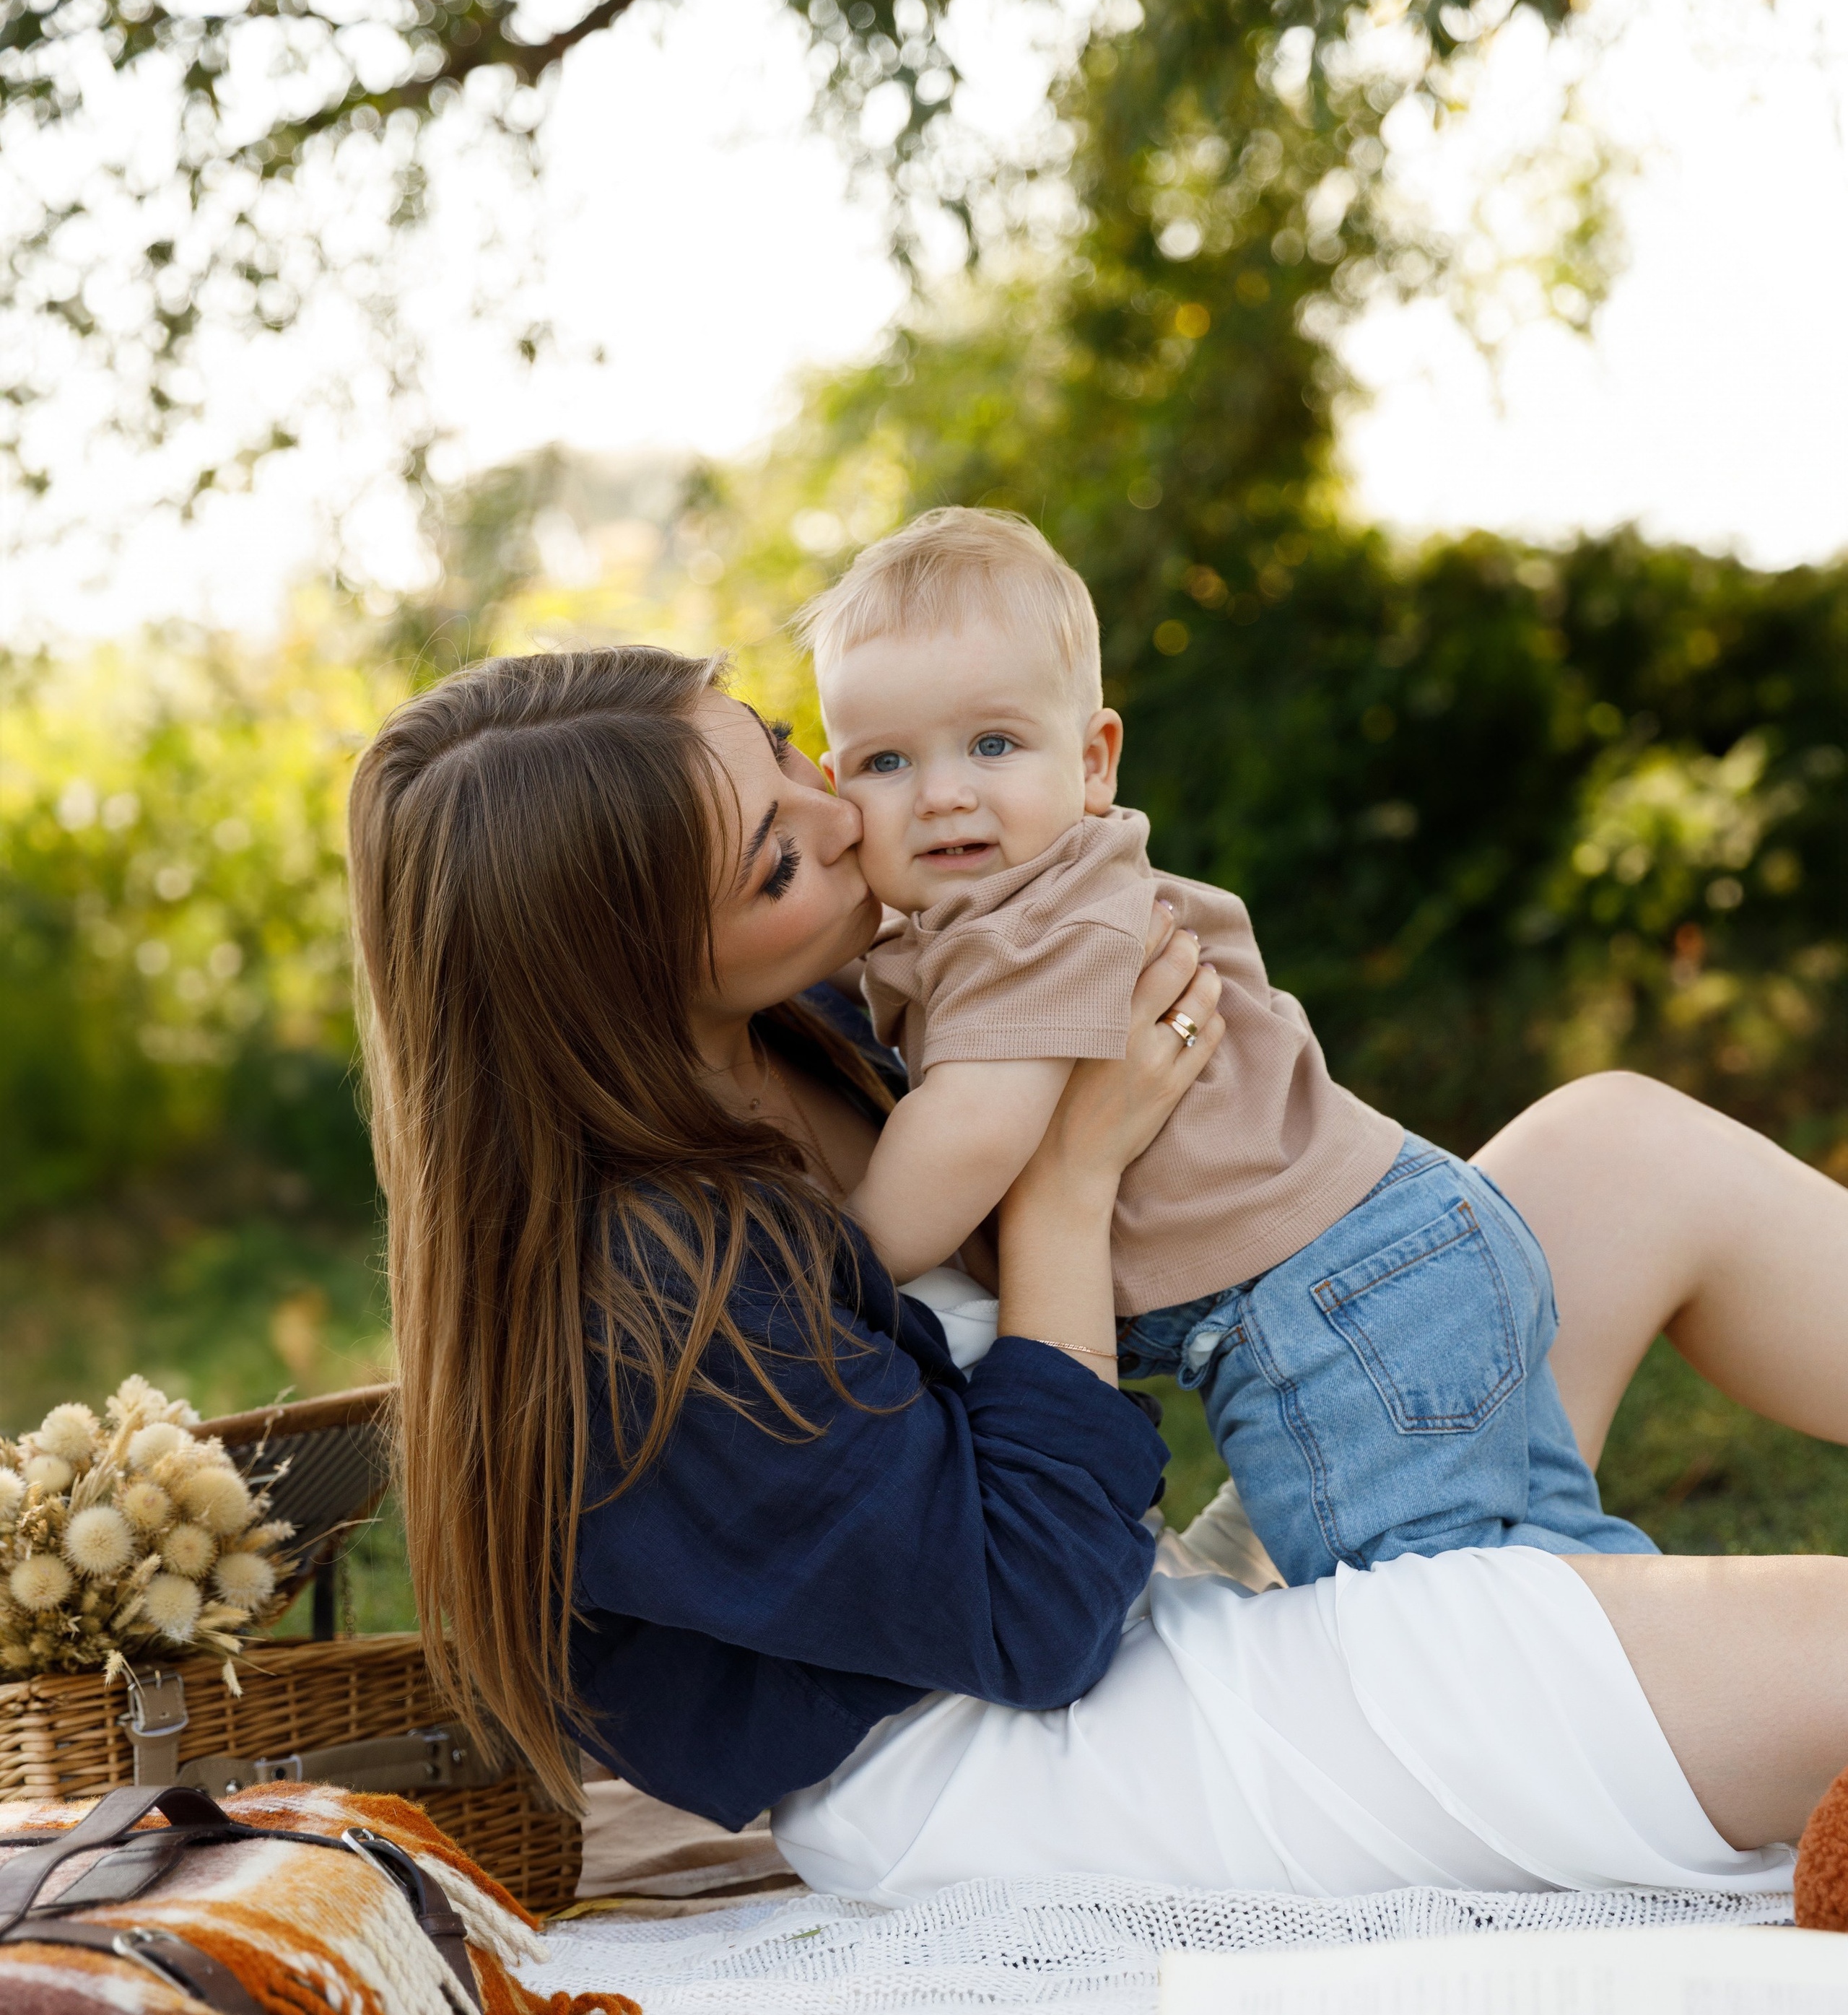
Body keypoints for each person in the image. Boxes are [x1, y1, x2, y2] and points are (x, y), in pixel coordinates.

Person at [346, 643, 1848, 1907]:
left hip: (1130, 1602)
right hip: (1033, 1753)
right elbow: (1032, 1621)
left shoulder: (807, 1025)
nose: (843, 809)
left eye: (787, 747)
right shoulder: (642, 1305)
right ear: (624, 988)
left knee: (1614, 1153)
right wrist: (1064, 1182)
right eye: (778, 859)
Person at [806, 505, 1651, 1588]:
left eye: (993, 744)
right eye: (885, 762)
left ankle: (1777, 1668)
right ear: (837, 795)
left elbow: (970, 1134)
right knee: (1562, 1573)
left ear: (1094, 760)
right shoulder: (1014, 905)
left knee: (1436, 1622)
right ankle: (1744, 1676)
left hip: (1328, 1304)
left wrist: (825, 1266)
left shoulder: (1034, 922)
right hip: (1397, 1254)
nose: (943, 794)